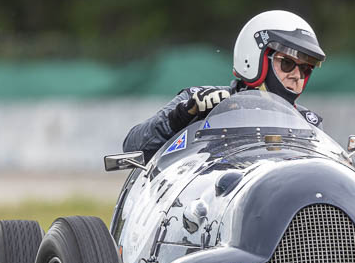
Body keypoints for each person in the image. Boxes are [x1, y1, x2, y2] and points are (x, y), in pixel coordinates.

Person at [123, 10, 326, 159]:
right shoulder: (198, 102)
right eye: (288, 63)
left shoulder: (307, 124)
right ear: (255, 59)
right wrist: (181, 116)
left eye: (306, 69)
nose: (297, 75)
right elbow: (133, 147)